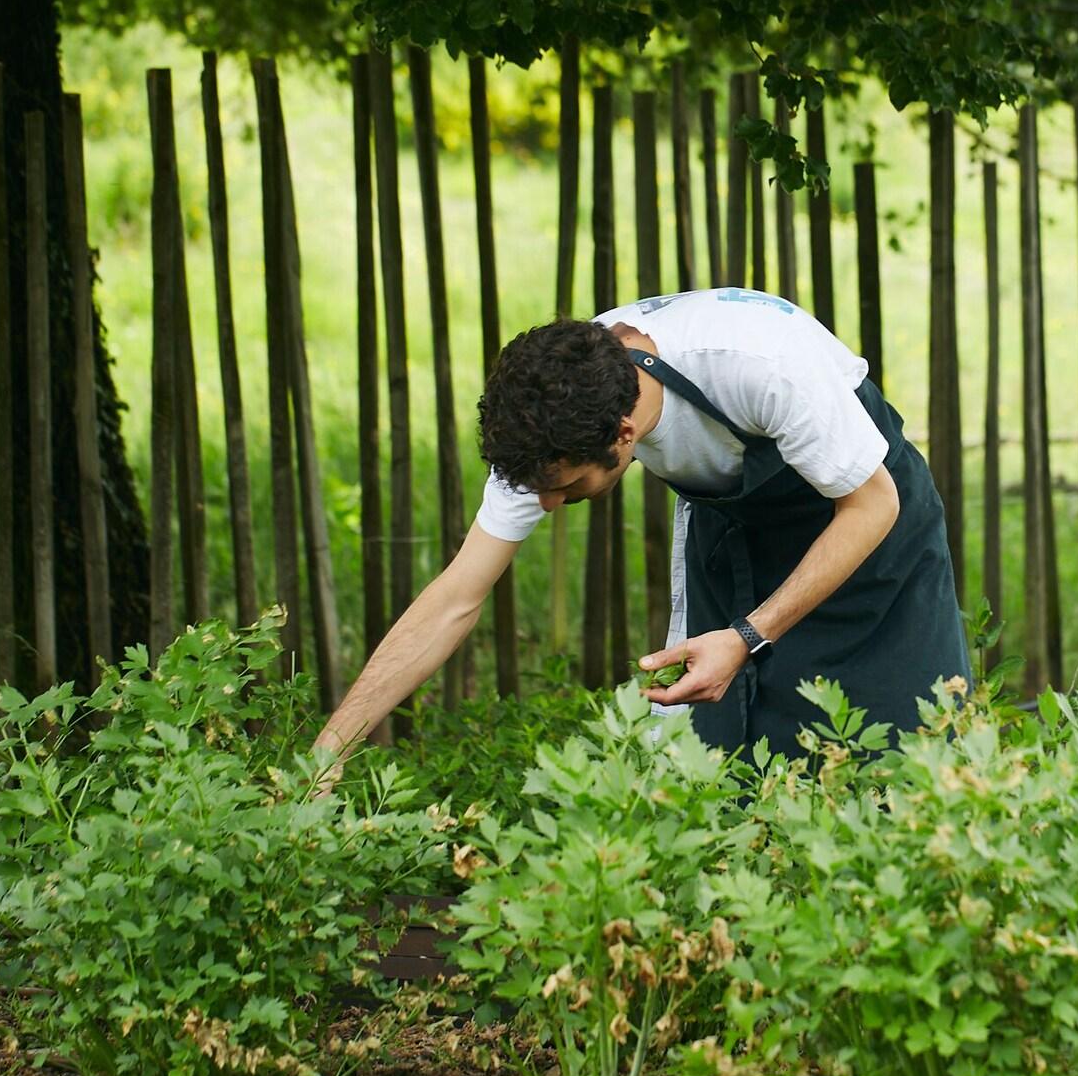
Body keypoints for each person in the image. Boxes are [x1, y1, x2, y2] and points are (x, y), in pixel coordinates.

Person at [313, 286, 971, 765]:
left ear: (624, 436)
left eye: (564, 488)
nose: (548, 506)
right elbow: (457, 596)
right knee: (726, 760)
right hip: (739, 535)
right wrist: (330, 749)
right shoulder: (548, 416)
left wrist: (748, 633)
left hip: (870, 531)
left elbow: (872, 506)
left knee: (902, 745)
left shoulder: (761, 364)